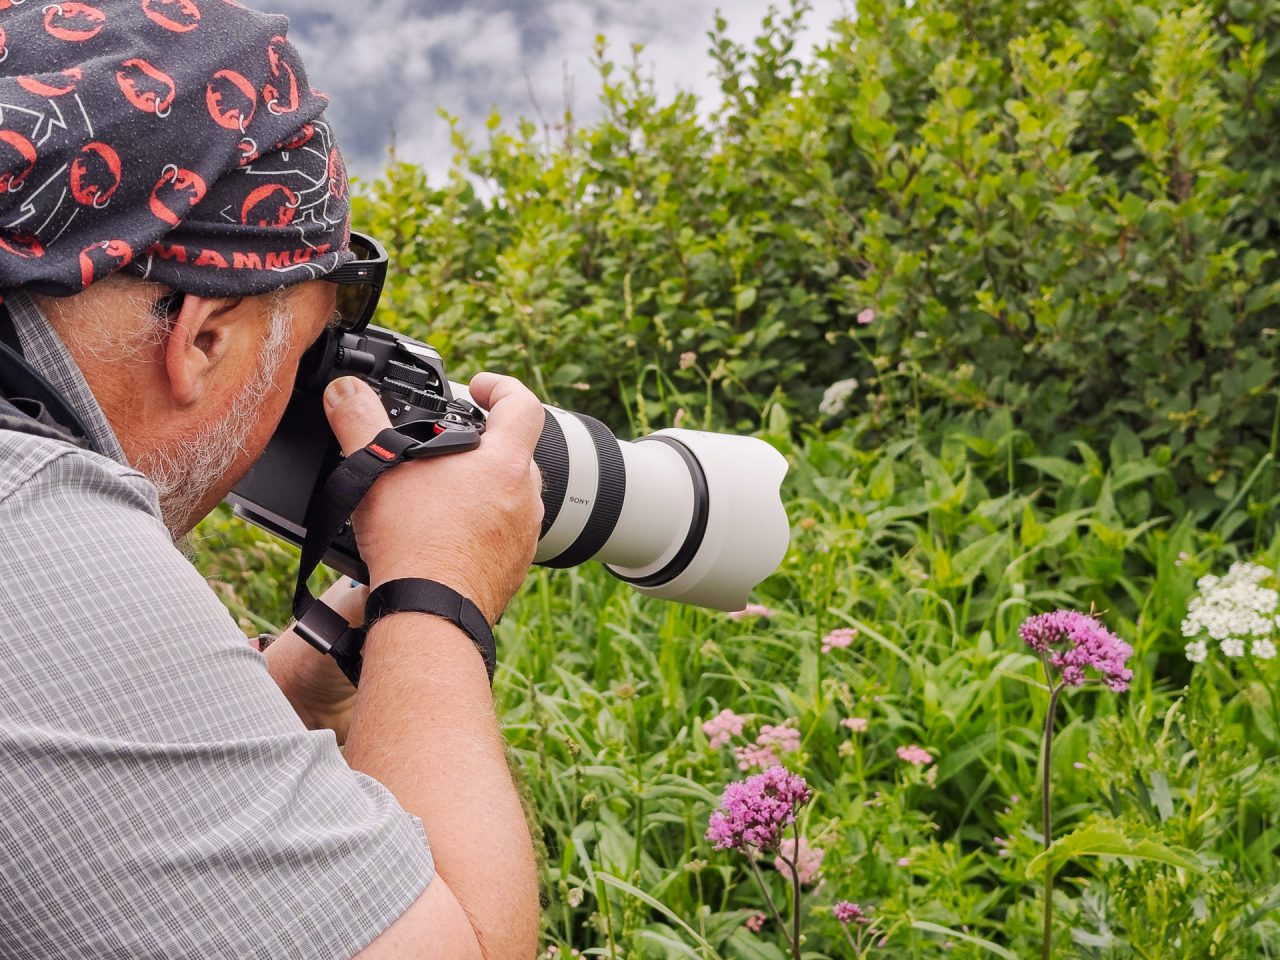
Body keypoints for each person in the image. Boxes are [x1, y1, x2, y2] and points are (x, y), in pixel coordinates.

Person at [0, 4, 543, 957]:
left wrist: (296, 675)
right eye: (299, 356)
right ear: (203, 335)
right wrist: (436, 590)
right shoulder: (37, 521)